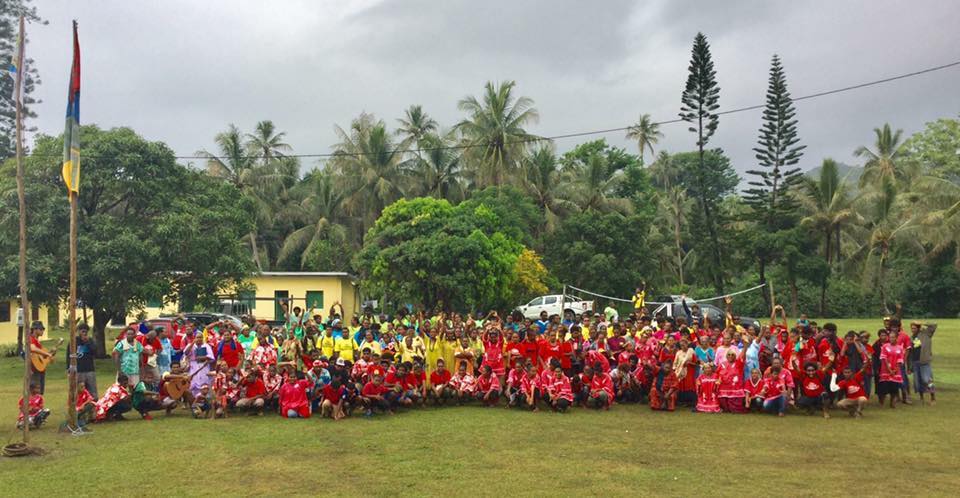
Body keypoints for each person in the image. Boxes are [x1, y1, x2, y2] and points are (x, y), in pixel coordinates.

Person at [910, 322, 937, 405]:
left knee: (927, 379)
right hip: (915, 362)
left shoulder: (926, 334)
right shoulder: (911, 338)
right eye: (912, 328)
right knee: (917, 382)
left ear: (918, 328)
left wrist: (922, 323)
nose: (912, 330)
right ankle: (921, 398)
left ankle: (933, 397)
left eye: (914, 328)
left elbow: (934, 325)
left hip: (924, 361)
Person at [72, 323, 99, 398]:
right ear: (79, 331)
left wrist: (88, 342)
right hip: (79, 369)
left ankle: (94, 404)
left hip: (89, 369)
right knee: (79, 389)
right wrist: (69, 368)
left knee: (92, 389)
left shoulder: (90, 340)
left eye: (86, 331)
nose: (84, 333)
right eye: (82, 331)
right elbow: (69, 355)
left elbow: (95, 352)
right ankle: (79, 405)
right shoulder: (74, 341)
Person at [27, 321, 53, 394]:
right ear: (35, 329)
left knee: (40, 392)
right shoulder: (30, 338)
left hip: (40, 369)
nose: (43, 331)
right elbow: (32, 348)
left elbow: (41, 356)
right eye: (41, 329)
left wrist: (50, 353)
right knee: (35, 392)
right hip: (34, 369)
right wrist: (47, 354)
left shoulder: (37, 341)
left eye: (43, 329)